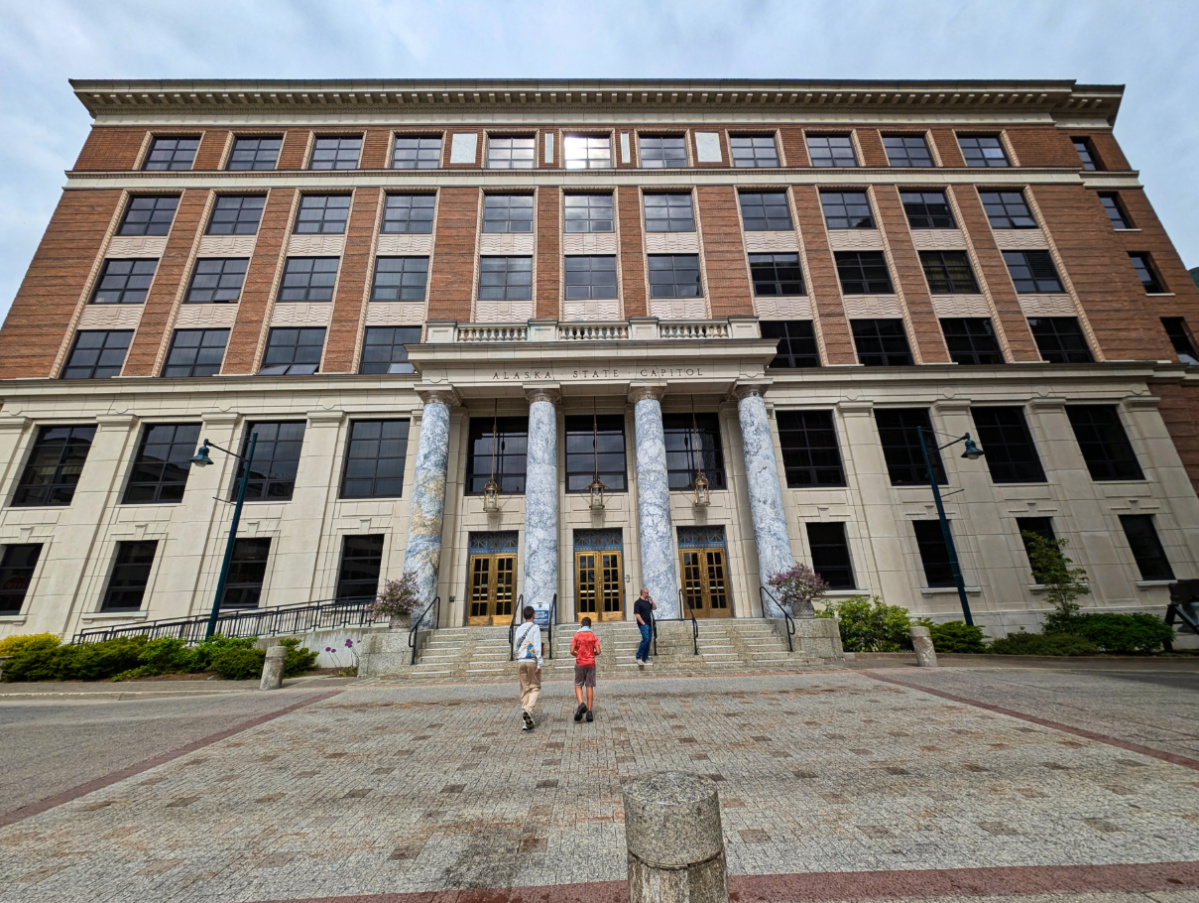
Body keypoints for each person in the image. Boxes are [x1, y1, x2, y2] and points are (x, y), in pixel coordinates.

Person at [512, 605, 542, 731]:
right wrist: (539, 662)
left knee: (524, 688)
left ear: (524, 616)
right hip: (531, 660)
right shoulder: (535, 628)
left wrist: (518, 655)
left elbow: (515, 646)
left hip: (521, 660)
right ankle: (529, 710)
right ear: (533, 615)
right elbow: (537, 645)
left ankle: (526, 720)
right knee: (535, 687)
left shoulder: (519, 629)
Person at [570, 616, 601, 722]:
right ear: (590, 625)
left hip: (580, 663)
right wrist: (592, 654)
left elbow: (571, 650)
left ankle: (580, 704)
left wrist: (578, 655)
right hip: (591, 663)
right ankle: (589, 712)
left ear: (581, 624)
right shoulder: (593, 636)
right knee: (589, 686)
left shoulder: (577, 635)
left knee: (578, 684)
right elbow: (598, 651)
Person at [633, 587, 656, 667]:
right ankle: (638, 657)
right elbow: (636, 614)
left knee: (648, 641)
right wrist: (642, 623)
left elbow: (654, 608)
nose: (647, 594)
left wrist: (651, 600)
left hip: (650, 624)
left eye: (648, 593)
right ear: (642, 593)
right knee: (645, 639)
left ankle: (645, 658)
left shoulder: (647, 602)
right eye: (646, 593)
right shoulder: (638, 603)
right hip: (644, 624)